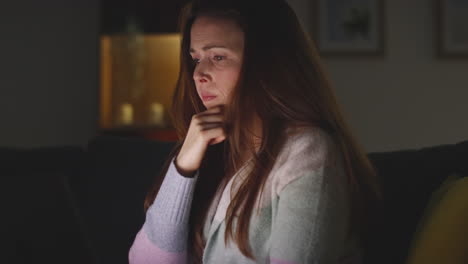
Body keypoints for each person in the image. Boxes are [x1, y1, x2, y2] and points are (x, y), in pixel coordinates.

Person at [129, 0, 381, 263]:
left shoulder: (308, 151)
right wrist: (183, 166)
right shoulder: (216, 152)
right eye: (196, 59)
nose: (199, 74)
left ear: (266, 63)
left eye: (218, 57)